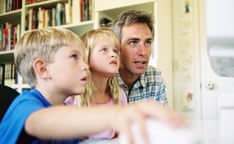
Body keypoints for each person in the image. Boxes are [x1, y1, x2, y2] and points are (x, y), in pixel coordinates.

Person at [0, 27, 184, 144]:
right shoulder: (26, 104)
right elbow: (42, 121)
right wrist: (116, 113)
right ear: (43, 69)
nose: (85, 65)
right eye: (74, 57)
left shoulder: (65, 109)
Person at [66, 27, 127, 140]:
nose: (113, 55)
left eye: (115, 51)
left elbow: (121, 135)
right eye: (104, 49)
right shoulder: (72, 98)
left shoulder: (119, 95)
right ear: (86, 57)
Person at [112, 10, 168, 105]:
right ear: (116, 47)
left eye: (147, 42)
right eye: (133, 42)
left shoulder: (155, 78)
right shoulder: (104, 78)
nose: (143, 52)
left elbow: (162, 119)